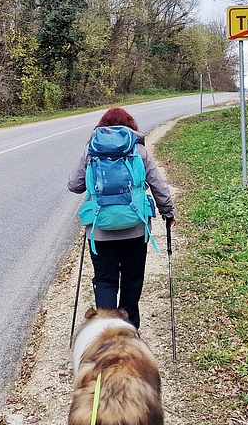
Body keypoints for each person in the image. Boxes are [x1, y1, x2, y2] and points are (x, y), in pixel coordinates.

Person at [67, 107, 175, 330]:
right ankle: (129, 331)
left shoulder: (92, 150)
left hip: (99, 230)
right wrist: (168, 212)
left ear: (102, 126)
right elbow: (158, 185)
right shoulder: (139, 150)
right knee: (131, 280)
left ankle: (108, 334)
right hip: (135, 228)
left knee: (105, 280)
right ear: (131, 126)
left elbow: (74, 185)